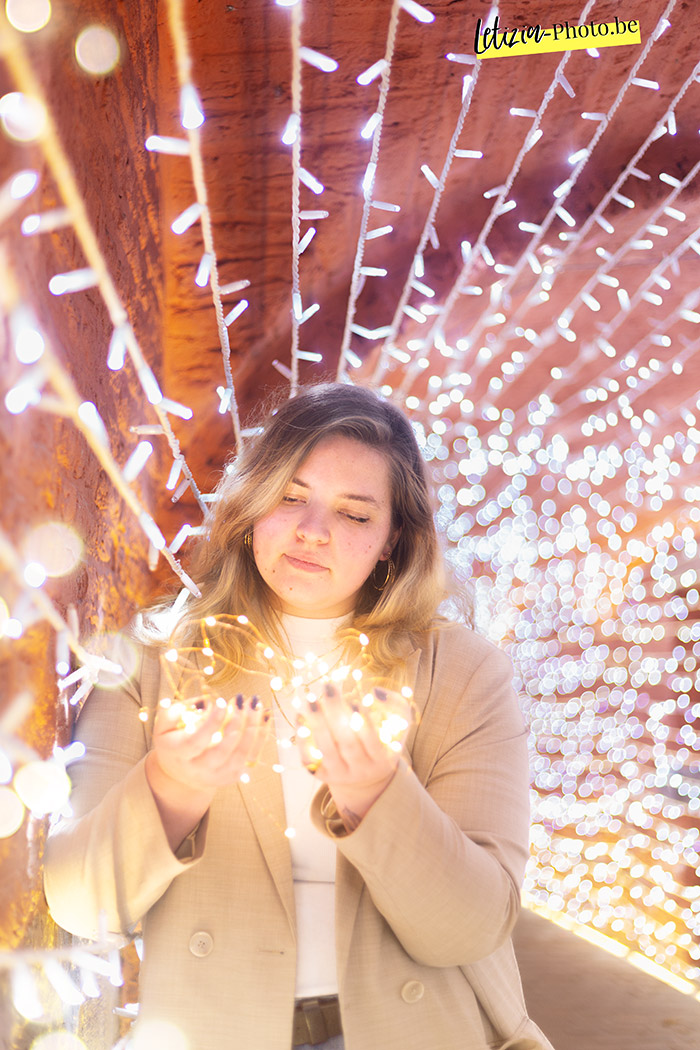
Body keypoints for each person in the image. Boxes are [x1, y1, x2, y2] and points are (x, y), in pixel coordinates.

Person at [44, 383, 554, 1050]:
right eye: (290, 496)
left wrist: (377, 794)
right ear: (253, 503)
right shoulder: (156, 659)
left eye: (354, 514)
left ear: (392, 538)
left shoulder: (463, 673)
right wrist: (171, 788)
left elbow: (472, 927)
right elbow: (83, 903)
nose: (313, 531)